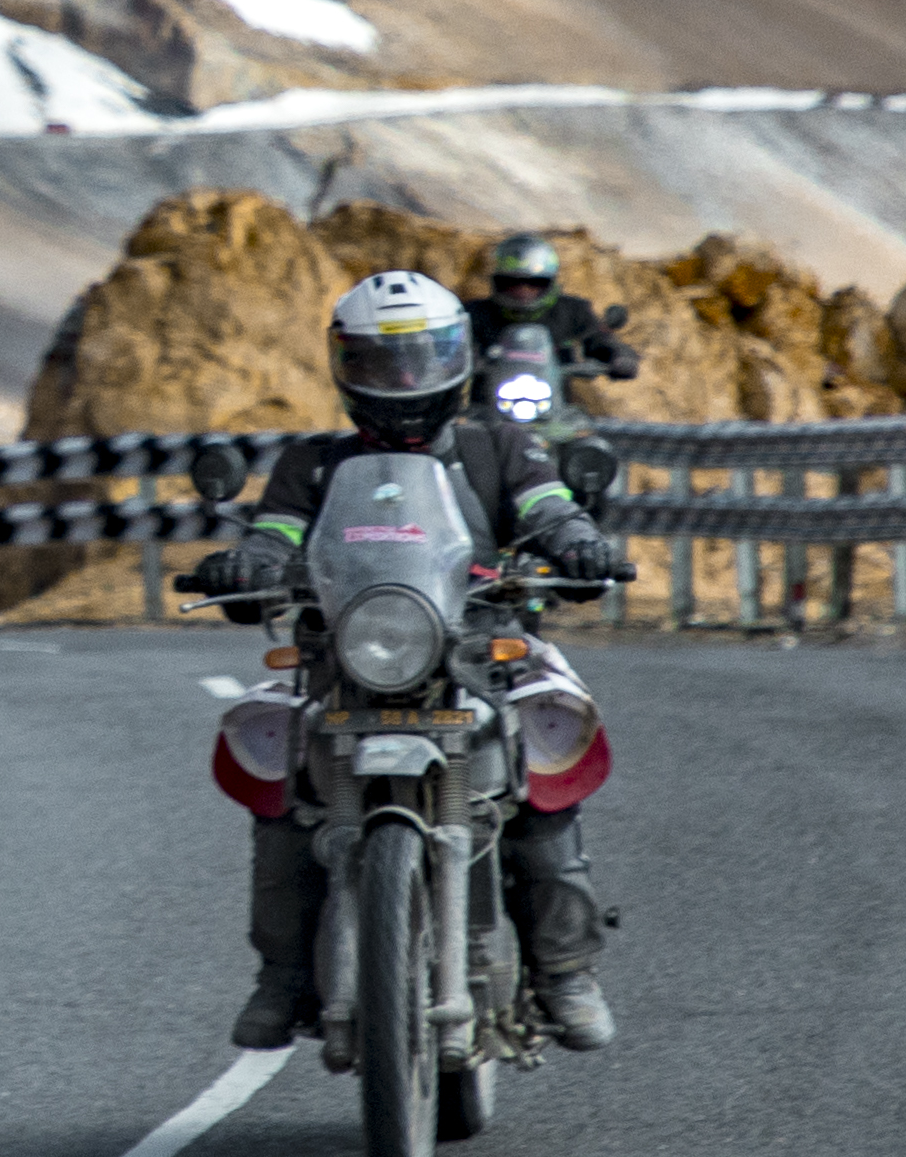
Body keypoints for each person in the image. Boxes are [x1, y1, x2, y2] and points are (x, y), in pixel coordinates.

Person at [219, 269, 629, 1056]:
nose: (405, 382)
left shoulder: (498, 443)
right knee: (274, 780)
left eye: (421, 359)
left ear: (459, 359)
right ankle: (281, 975)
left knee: (548, 763)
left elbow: (547, 502)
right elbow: (276, 531)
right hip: (347, 657)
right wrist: (250, 561)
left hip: (483, 646)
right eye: (381, 363)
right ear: (346, 368)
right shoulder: (311, 462)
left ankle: (565, 969)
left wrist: (575, 541)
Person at [463, 231, 641, 393]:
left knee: (591, 427)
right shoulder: (473, 314)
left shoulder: (573, 311)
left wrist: (619, 356)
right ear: (497, 282)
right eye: (512, 283)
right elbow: (450, 345)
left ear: (550, 283)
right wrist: (462, 359)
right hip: (484, 412)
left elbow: (598, 338)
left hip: (556, 413)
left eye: (534, 284)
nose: (523, 291)